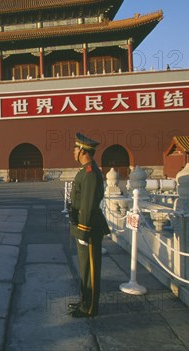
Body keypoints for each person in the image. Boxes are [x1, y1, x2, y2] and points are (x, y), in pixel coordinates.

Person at [68, 132, 111, 318]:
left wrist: (83, 232)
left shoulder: (91, 174)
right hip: (82, 225)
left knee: (91, 269)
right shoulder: (85, 171)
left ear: (83, 151)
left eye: (76, 148)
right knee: (85, 268)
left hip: (89, 228)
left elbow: (88, 204)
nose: (73, 151)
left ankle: (90, 307)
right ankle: (84, 301)